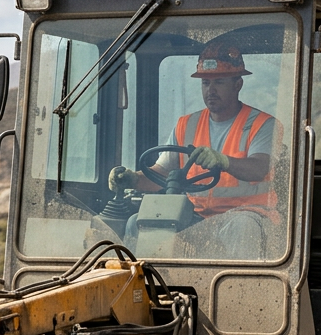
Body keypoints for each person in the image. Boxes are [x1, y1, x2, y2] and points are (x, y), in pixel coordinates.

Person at [110, 36, 281, 224]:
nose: (211, 90)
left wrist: (223, 161)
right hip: (198, 217)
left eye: (219, 82)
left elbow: (258, 168)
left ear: (237, 85)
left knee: (241, 224)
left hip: (250, 215)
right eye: (206, 83)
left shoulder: (263, 124)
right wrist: (133, 179)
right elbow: (162, 173)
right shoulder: (187, 124)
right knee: (137, 223)